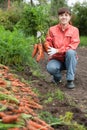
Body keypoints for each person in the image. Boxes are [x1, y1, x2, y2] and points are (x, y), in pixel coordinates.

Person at [44, 7, 80, 89]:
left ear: (69, 17)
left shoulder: (74, 30)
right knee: (51, 68)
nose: (64, 17)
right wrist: (44, 45)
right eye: (61, 15)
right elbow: (48, 42)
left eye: (66, 15)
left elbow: (73, 46)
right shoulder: (52, 29)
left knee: (71, 52)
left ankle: (70, 80)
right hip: (57, 59)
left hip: (69, 59)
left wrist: (57, 50)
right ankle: (57, 78)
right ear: (58, 17)